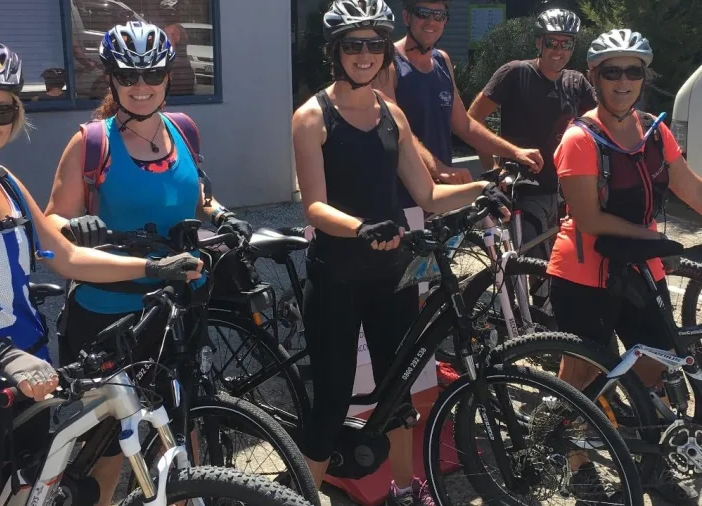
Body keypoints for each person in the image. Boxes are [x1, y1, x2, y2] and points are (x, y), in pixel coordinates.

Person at [0, 38, 202, 506]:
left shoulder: (2, 179)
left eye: (0, 111)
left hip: (30, 379)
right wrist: (4, 357)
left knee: (30, 496)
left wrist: (155, 267)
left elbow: (65, 257)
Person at [291, 2, 511, 505]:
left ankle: (408, 490)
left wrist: (484, 188)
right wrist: (362, 227)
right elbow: (316, 207)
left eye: (373, 44)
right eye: (353, 44)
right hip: (337, 278)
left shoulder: (391, 113)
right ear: (335, 51)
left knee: (399, 394)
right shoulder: (311, 116)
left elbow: (428, 194)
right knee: (331, 401)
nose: (365, 54)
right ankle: (302, 496)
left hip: (392, 274)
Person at [43, 21, 251, 506]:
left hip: (178, 307)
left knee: (179, 429)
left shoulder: (184, 130)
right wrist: (77, 227)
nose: (141, 87)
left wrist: (220, 214)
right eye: (129, 76)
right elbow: (51, 223)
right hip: (109, 312)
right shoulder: (92, 143)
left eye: (152, 75)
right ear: (111, 79)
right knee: (110, 443)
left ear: (167, 77)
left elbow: (194, 194)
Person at [549, 28, 702, 505]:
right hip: (582, 272)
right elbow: (590, 220)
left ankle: (651, 465)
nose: (622, 81)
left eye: (632, 71)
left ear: (643, 77)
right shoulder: (580, 137)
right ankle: (577, 466)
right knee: (583, 376)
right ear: (594, 76)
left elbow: (691, 189)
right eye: (611, 71)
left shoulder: (654, 133)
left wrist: (654, 246)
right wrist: (658, 240)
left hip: (640, 268)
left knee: (654, 370)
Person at [468, 7, 597, 261]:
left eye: (567, 43)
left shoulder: (576, 81)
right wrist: (493, 168)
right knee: (536, 269)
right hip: (526, 190)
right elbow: (473, 119)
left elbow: (600, 124)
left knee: (567, 264)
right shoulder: (515, 73)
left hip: (567, 191)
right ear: (539, 42)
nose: (559, 50)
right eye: (552, 42)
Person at [374, 0, 544, 188]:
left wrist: (514, 152)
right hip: (403, 191)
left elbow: (464, 126)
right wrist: (439, 169)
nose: (431, 21)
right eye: (423, 13)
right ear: (406, 17)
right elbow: (395, 131)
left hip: (442, 188)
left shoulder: (442, 61)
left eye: (439, 16)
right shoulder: (387, 63)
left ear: (445, 21)